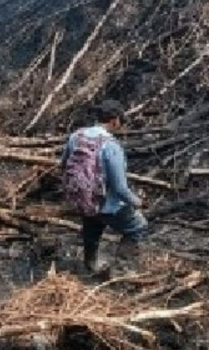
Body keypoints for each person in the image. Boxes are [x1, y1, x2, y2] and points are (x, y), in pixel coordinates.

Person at [61, 99, 148, 275]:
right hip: (107, 204)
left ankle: (90, 264)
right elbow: (120, 188)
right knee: (137, 227)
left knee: (92, 226)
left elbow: (63, 164)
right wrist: (136, 201)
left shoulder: (76, 136)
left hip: (83, 199)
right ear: (114, 120)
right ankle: (122, 270)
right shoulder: (111, 146)